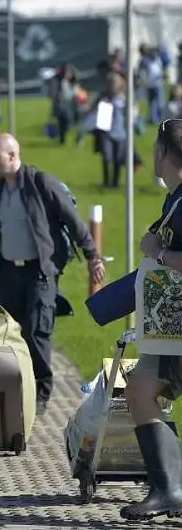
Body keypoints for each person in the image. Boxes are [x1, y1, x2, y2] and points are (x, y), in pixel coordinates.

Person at [0, 133, 105, 414]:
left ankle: (41, 391)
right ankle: (17, 386)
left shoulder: (41, 183)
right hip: (8, 273)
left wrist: (93, 256)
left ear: (13, 156)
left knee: (37, 331)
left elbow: (73, 221)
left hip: (40, 271)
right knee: (11, 333)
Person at [121, 118, 182, 521]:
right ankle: (169, 489)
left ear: (162, 153)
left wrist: (157, 253)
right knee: (141, 387)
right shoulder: (175, 198)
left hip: (176, 327)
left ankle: (170, 489)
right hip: (169, 327)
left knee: (142, 389)